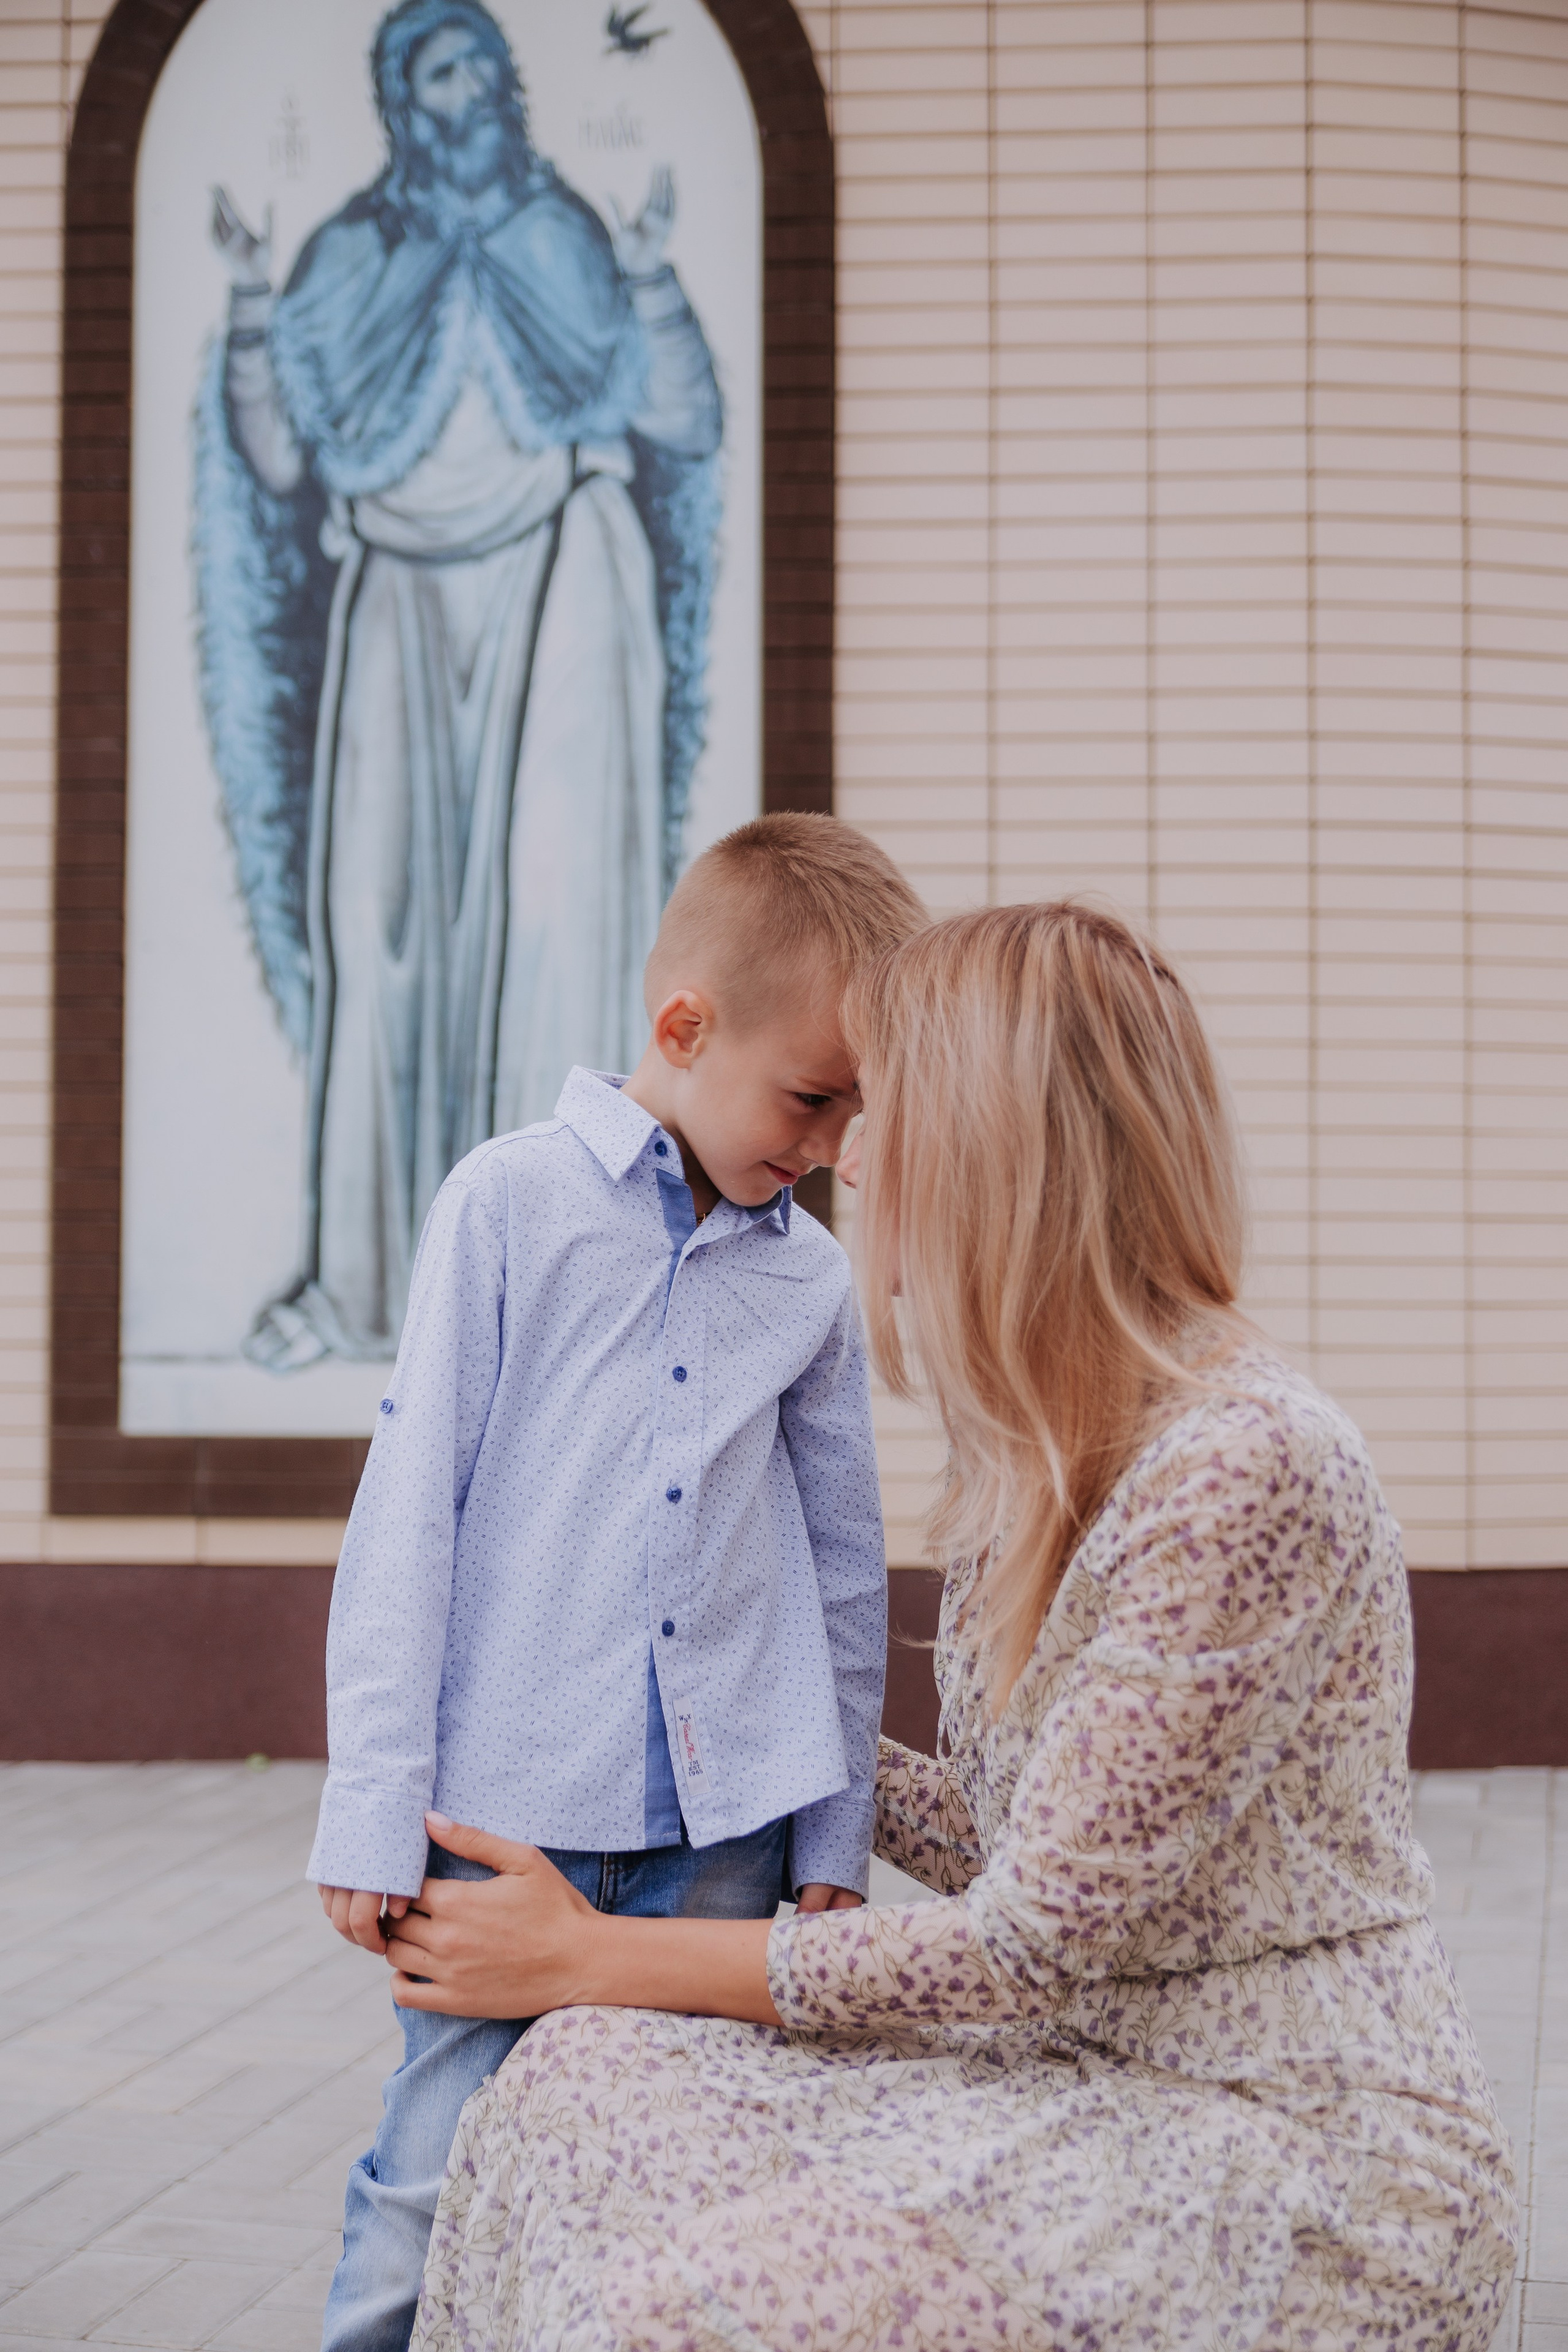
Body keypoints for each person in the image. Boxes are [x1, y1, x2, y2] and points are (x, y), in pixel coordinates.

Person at [385, 901, 1518, 2352]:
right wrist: (686, 1691)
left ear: (992, 1161)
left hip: (1278, 2141)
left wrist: (587, 1948)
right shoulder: (1038, 1460)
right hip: (1085, 2060)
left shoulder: (1242, 1468)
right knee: (569, 2086)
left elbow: (1025, 1943)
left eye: (880, 1112)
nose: (842, 1157)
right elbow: (1036, 1841)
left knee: (687, 2287)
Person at [306, 813, 927, 2352]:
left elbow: (847, 1576)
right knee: (429, 2196)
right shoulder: (506, 1207)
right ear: (682, 1027)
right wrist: (372, 1803)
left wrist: (834, 1825)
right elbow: (410, 1518)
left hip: (725, 1843)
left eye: (856, 1112)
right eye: (811, 1096)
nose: (834, 1145)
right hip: (501, 1815)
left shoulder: (806, 1282)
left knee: (676, 2207)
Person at [198, 0, 723, 1368]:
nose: (474, 98)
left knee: (550, 936)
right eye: (443, 75)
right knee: (382, 934)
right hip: (397, 608)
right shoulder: (352, 254)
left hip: (558, 592)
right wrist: (252, 304)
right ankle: (370, 1287)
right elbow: (273, 454)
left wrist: (655, 275)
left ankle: (560, 1294)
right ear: (399, 101)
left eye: (489, 75)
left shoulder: (565, 240)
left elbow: (681, 417)